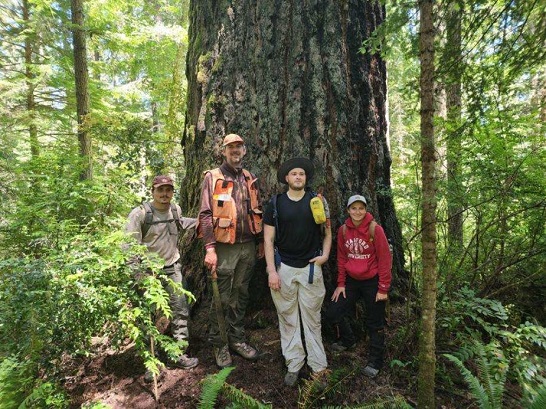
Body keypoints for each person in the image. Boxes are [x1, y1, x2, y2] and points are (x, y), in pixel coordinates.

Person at [263, 157, 332, 387]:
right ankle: (293, 364)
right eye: (294, 174)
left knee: (313, 319)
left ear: (306, 178)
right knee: (288, 318)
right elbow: (268, 238)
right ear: (286, 178)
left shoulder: (317, 201)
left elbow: (328, 232)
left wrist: (325, 256)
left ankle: (318, 367)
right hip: (284, 268)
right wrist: (271, 271)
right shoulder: (275, 203)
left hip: (311, 267)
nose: (298, 177)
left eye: (301, 174)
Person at [198, 133, 264, 368]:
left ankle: (237, 339)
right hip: (224, 248)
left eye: (239, 147)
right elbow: (205, 214)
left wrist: (260, 243)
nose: (235, 151)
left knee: (240, 295)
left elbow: (257, 210)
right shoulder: (213, 177)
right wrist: (210, 248)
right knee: (221, 298)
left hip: (247, 246)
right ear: (223, 151)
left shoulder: (249, 178)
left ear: (244, 151)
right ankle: (220, 344)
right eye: (230, 147)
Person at [125, 175, 199, 380]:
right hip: (147, 270)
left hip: (172, 266)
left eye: (168, 190)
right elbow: (129, 246)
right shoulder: (140, 214)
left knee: (180, 310)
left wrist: (203, 222)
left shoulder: (175, 209)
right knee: (148, 317)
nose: (165, 194)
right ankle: (152, 363)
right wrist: (137, 274)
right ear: (153, 191)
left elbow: (181, 223)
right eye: (161, 190)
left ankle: (178, 353)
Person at [325, 194, 392, 378]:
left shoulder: (374, 229)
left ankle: (375, 362)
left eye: (361, 208)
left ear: (366, 209)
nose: (357, 212)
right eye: (353, 208)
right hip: (351, 281)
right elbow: (341, 258)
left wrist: (383, 288)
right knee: (333, 312)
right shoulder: (343, 231)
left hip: (372, 281)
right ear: (348, 210)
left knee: (374, 322)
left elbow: (385, 259)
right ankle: (348, 340)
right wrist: (340, 284)